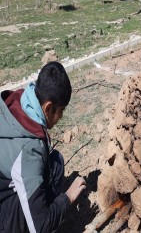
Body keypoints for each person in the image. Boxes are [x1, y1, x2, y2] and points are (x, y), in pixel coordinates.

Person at [0, 61, 86, 233]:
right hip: (4, 216)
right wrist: (67, 198)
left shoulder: (19, 100)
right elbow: (40, 226)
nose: (61, 117)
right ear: (48, 108)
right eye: (61, 111)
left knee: (55, 163)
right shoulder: (29, 150)